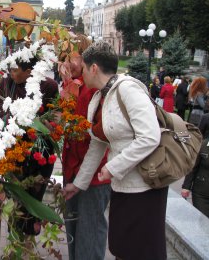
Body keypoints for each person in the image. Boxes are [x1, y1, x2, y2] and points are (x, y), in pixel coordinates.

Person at [64, 41, 167, 260]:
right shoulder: (99, 97)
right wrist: (79, 184)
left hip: (145, 188)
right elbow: (97, 143)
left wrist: (112, 168)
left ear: (93, 68)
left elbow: (150, 136)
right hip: (122, 187)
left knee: (140, 250)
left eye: (83, 68)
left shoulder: (128, 89)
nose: (81, 73)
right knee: (121, 247)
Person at [0, 49, 58, 235]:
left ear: (30, 71)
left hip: (40, 153)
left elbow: (56, 119)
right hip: (14, 152)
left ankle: (28, 241)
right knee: (16, 199)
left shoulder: (49, 86)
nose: (11, 73)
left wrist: (47, 123)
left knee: (33, 200)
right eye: (10, 69)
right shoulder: (7, 83)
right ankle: (16, 243)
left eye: (15, 70)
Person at [59, 35, 111, 260]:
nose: (66, 62)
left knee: (89, 234)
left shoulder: (96, 89)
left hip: (93, 174)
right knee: (73, 230)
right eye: (64, 57)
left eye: (72, 57)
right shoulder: (72, 83)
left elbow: (96, 137)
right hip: (73, 169)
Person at [181, 113, 209, 218]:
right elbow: (193, 167)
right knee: (203, 221)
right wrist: (186, 187)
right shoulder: (204, 145)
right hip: (201, 193)